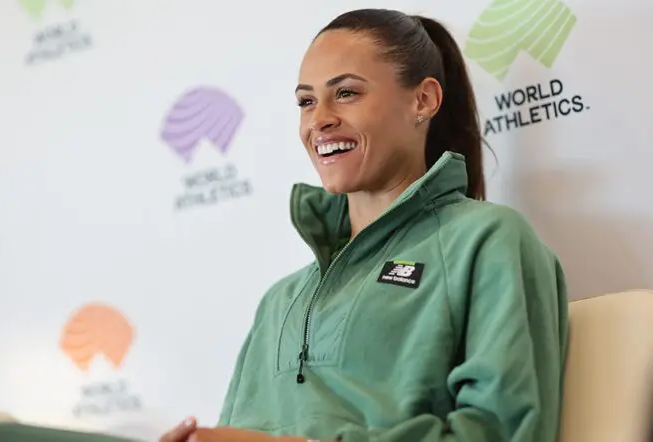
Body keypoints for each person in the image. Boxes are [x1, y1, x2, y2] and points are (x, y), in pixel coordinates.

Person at [161, 8, 568, 442]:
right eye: (306, 102)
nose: (319, 119)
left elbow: (504, 431)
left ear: (423, 100)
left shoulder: (486, 241)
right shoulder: (280, 301)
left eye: (347, 93)